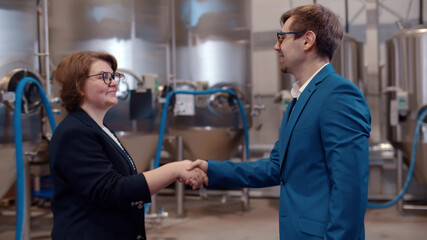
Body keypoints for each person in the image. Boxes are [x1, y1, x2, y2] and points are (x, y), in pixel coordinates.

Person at [187, 4, 371, 240]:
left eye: (282, 38)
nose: (276, 46)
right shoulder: (300, 99)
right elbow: (276, 167)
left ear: (307, 40)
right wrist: (211, 169)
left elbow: (350, 189)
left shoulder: (339, 95)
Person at [49, 51, 206, 240]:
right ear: (79, 86)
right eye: (104, 77)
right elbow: (112, 190)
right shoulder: (74, 132)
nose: (114, 83)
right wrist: (173, 170)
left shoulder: (100, 128)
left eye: (114, 76)